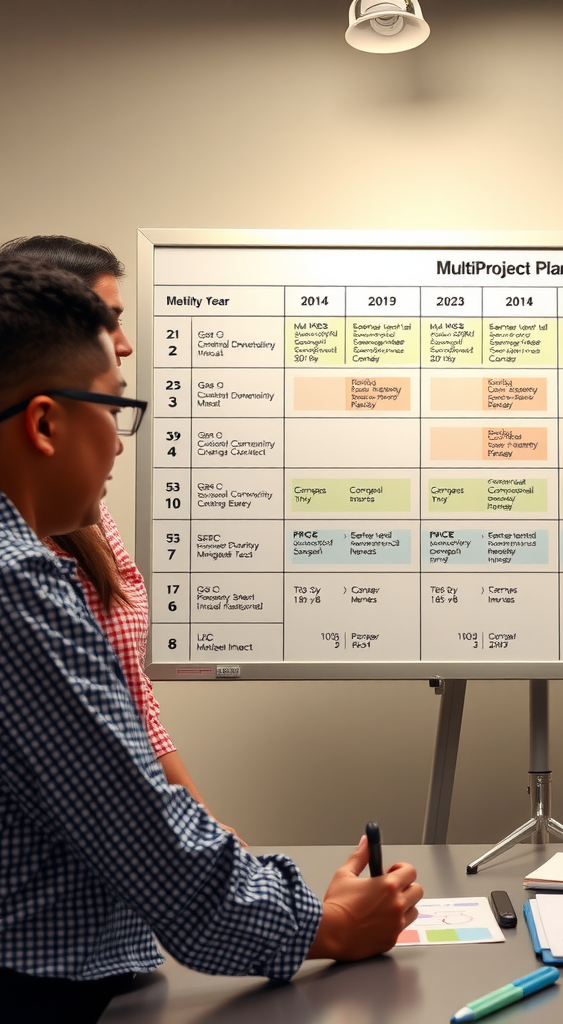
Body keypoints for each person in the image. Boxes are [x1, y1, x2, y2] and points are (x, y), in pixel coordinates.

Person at [0, 256, 422, 1024]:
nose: (120, 445)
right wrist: (329, 924)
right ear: (46, 424)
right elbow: (143, 837)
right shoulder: (18, 587)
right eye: (114, 407)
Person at [0, 234, 217, 813]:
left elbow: (135, 706)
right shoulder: (20, 577)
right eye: (108, 320)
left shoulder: (83, 517)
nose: (124, 343)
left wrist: (216, 836)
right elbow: (97, 788)